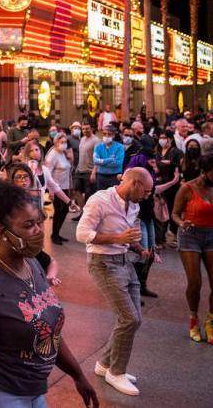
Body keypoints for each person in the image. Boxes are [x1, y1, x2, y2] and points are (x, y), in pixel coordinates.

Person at [0, 180, 98, 408]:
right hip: (1, 396)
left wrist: (77, 374)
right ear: (2, 231)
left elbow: (48, 331)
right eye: (28, 225)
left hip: (35, 392)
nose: (38, 231)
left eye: (38, 222)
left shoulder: (31, 264)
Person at [76, 167, 154, 396]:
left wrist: (140, 248)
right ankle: (116, 372)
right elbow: (82, 233)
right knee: (129, 318)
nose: (148, 196)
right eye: (147, 191)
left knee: (134, 319)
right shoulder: (99, 200)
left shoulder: (135, 205)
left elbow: (126, 236)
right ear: (135, 184)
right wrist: (118, 238)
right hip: (102, 263)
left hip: (124, 262)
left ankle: (104, 365)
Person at [172, 153, 213, 346]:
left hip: (212, 236)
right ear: (203, 172)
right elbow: (175, 214)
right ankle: (193, 319)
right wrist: (181, 223)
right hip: (190, 235)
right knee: (195, 282)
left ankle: (211, 323)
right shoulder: (187, 188)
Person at [42, 134, 76, 245]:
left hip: (65, 186)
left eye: (65, 142)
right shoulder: (53, 154)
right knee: (59, 210)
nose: (64, 144)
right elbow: (48, 173)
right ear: (56, 142)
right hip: (56, 188)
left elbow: (69, 169)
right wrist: (51, 191)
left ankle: (57, 233)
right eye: (61, 142)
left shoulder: (63, 153)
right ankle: (54, 235)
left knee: (64, 210)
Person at [92, 125, 125, 191]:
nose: (106, 136)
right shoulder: (98, 146)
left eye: (109, 134)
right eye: (104, 134)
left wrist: (101, 162)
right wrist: (110, 159)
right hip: (101, 176)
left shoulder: (120, 147)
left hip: (115, 177)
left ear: (113, 135)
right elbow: (95, 161)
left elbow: (118, 163)